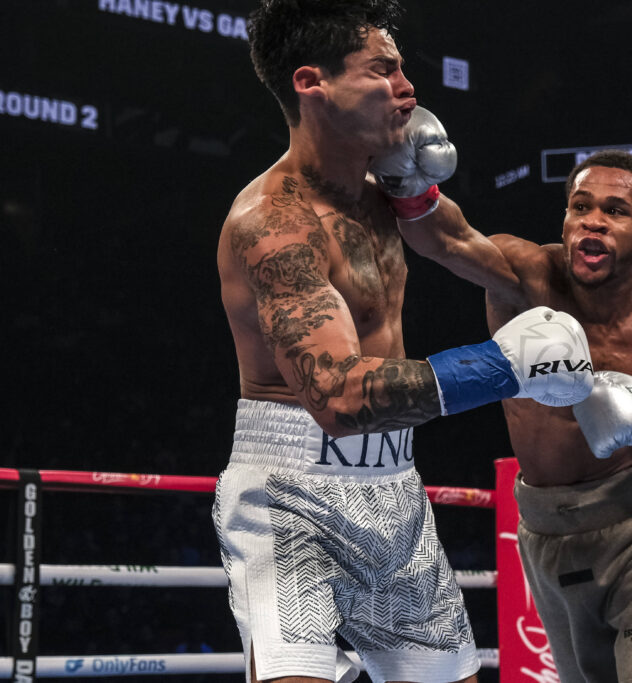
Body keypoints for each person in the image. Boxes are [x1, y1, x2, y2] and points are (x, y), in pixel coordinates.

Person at [212, 3, 594, 683]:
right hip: (291, 490)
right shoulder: (273, 224)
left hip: (393, 487)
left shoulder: (383, 190)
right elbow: (335, 394)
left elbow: (484, 258)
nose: (407, 87)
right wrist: (504, 365)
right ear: (312, 83)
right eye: (382, 69)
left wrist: (420, 200)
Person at [374, 121, 632, 682]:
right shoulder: (525, 274)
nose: (592, 221)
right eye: (580, 206)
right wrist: (410, 184)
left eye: (615, 211)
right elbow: (446, 240)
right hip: (549, 534)